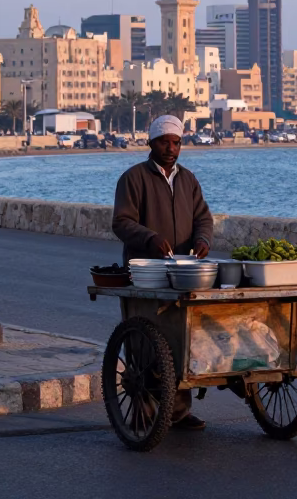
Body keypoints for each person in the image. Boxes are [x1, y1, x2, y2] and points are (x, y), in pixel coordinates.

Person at [111, 114, 214, 431]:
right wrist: (150, 238)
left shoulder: (188, 180)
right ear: (152, 143)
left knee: (180, 339)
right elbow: (122, 222)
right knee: (146, 344)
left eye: (176, 143)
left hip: (182, 271)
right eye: (164, 142)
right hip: (145, 273)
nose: (171, 149)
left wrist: (202, 240)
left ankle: (178, 412)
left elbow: (203, 218)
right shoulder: (133, 179)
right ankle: (144, 412)